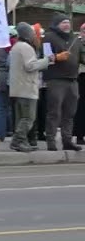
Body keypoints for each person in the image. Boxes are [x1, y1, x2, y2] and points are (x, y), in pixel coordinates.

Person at [42, 13, 84, 151]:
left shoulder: (75, 39)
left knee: (70, 113)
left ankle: (67, 140)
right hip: (56, 80)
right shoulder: (48, 37)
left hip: (72, 80)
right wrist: (56, 57)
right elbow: (45, 57)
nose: (66, 25)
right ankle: (51, 141)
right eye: (63, 22)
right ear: (56, 24)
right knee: (54, 112)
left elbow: (82, 57)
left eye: (68, 22)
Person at [9, 22, 51, 152]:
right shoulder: (26, 47)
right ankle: (18, 140)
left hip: (17, 87)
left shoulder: (16, 47)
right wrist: (46, 60)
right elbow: (30, 66)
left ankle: (22, 141)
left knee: (21, 118)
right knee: (28, 118)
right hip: (26, 88)